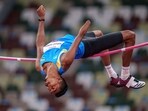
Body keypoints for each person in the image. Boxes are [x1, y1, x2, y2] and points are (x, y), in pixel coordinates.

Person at [35, 5, 145, 97]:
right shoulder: (63, 62)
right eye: (53, 88)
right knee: (130, 35)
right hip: (83, 45)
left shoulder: (39, 66)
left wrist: (41, 18)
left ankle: (113, 76)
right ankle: (125, 77)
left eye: (51, 89)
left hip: (70, 39)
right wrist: (84, 28)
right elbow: (78, 39)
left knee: (99, 33)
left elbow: (40, 45)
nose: (49, 87)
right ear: (59, 79)